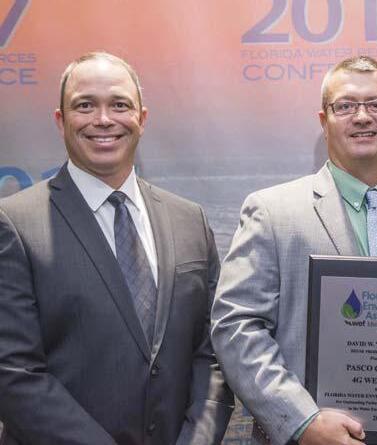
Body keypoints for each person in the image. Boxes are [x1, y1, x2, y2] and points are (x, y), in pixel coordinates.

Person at [212, 56, 377, 445]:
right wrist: (302, 421)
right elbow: (236, 327)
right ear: (324, 122)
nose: (362, 117)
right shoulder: (272, 212)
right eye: (345, 106)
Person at [0, 52, 233, 444]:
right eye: (85, 106)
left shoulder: (189, 220)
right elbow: (13, 373)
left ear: (142, 118)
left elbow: (212, 354)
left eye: (120, 105)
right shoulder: (14, 224)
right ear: (60, 120)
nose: (104, 119)